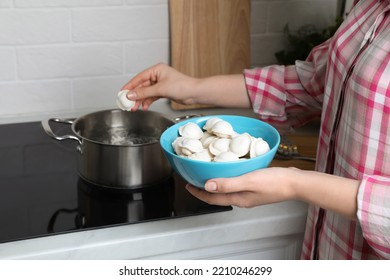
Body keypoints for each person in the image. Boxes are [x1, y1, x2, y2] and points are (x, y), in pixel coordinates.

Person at [121, 0, 390, 259]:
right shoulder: (370, 6)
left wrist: (295, 184)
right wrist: (191, 89)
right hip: (327, 247)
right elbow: (315, 82)